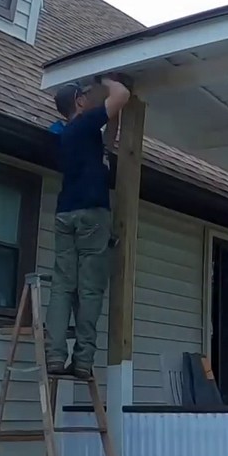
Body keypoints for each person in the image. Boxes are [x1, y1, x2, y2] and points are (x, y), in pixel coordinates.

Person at [45, 74, 131, 379]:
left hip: (65, 214)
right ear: (79, 102)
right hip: (91, 215)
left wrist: (108, 107)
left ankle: (54, 357)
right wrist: (107, 79)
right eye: (85, 95)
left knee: (63, 287)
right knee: (90, 288)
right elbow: (121, 94)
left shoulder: (67, 133)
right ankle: (83, 361)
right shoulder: (84, 124)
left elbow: (110, 137)